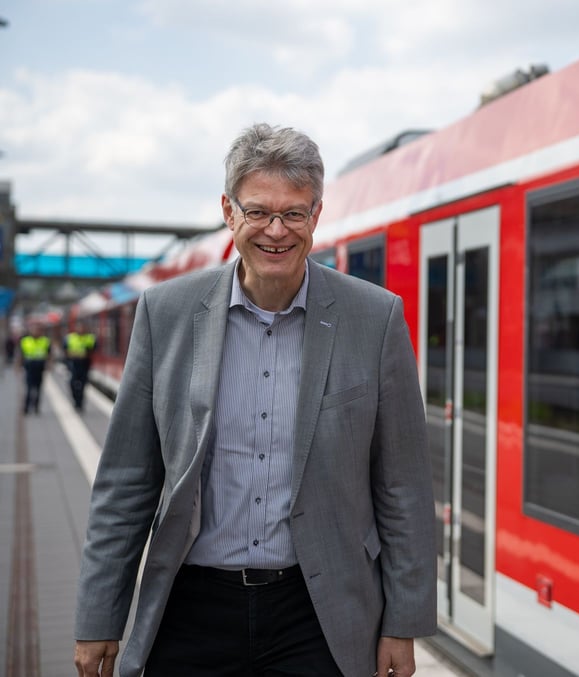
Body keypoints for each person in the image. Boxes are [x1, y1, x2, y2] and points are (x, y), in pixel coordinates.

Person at [74, 123, 436, 677]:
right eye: (259, 211)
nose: (276, 230)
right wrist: (100, 616)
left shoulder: (376, 318)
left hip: (319, 613)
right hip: (191, 605)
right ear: (229, 211)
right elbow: (126, 481)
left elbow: (403, 485)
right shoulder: (164, 314)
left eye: (294, 213)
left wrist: (403, 621)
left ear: (316, 216)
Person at [64, 321, 97, 411]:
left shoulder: (90, 338)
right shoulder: (70, 338)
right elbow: (65, 350)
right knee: (72, 384)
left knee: (83, 386)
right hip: (73, 365)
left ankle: (80, 403)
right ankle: (75, 400)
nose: (81, 329)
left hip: (84, 365)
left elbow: (93, 349)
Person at [19, 323, 51, 414]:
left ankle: (36, 407)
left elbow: (49, 353)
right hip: (29, 367)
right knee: (29, 388)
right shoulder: (25, 341)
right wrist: (18, 366)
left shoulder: (45, 341)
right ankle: (26, 407)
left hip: (40, 367)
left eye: (37, 330)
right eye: (34, 330)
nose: (36, 332)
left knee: (38, 388)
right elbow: (21, 354)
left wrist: (49, 364)